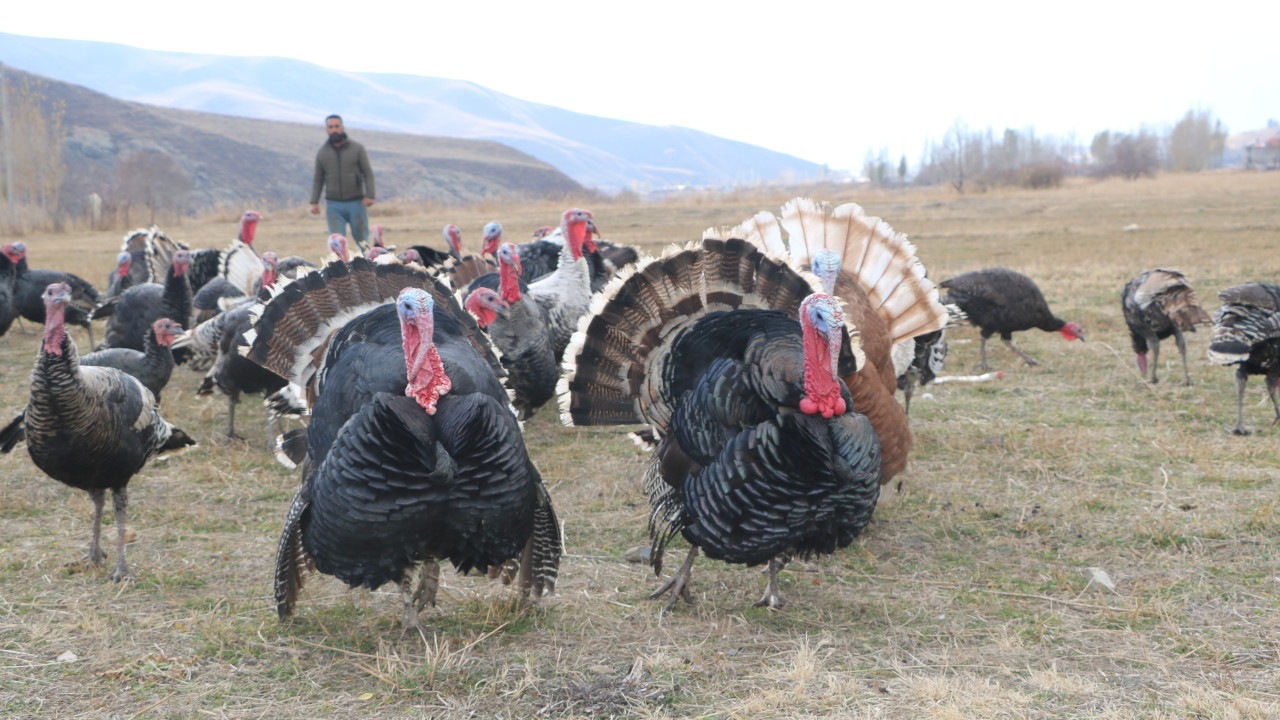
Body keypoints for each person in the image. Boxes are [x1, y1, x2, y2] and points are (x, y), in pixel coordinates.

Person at [309, 114, 376, 251]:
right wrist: (314, 201)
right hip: (334, 205)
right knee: (336, 243)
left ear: (343, 128)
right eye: (330, 127)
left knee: (363, 242)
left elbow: (367, 173)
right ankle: (339, 271)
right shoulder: (322, 153)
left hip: (356, 203)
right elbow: (318, 179)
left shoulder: (357, 149)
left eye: (337, 126)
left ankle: (370, 269)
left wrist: (370, 195)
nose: (334, 130)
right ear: (326, 129)